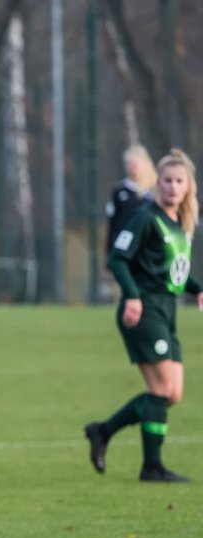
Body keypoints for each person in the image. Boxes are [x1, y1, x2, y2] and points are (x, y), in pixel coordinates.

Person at [86, 149, 203, 482]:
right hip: (144, 309)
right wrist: (132, 296)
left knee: (172, 395)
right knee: (163, 390)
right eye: (167, 180)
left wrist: (197, 288)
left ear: (188, 186)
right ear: (158, 183)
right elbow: (118, 259)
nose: (172, 187)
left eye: (179, 181)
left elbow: (174, 274)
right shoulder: (144, 217)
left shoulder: (181, 223)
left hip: (166, 308)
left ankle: (103, 431)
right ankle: (152, 467)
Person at [107, 145, 157, 255]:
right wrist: (110, 251)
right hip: (124, 248)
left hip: (147, 247)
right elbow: (113, 223)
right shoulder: (118, 191)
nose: (131, 167)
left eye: (135, 164)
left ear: (144, 164)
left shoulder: (154, 190)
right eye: (128, 163)